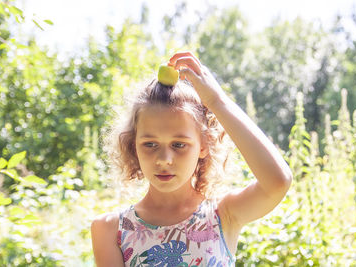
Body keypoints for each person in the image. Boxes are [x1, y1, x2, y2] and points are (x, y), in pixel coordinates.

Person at [91, 51, 292, 266]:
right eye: (150, 144)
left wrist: (217, 101)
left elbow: (278, 181)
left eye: (179, 145)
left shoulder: (223, 215)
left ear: (204, 146)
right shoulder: (112, 230)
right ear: (133, 146)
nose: (164, 159)